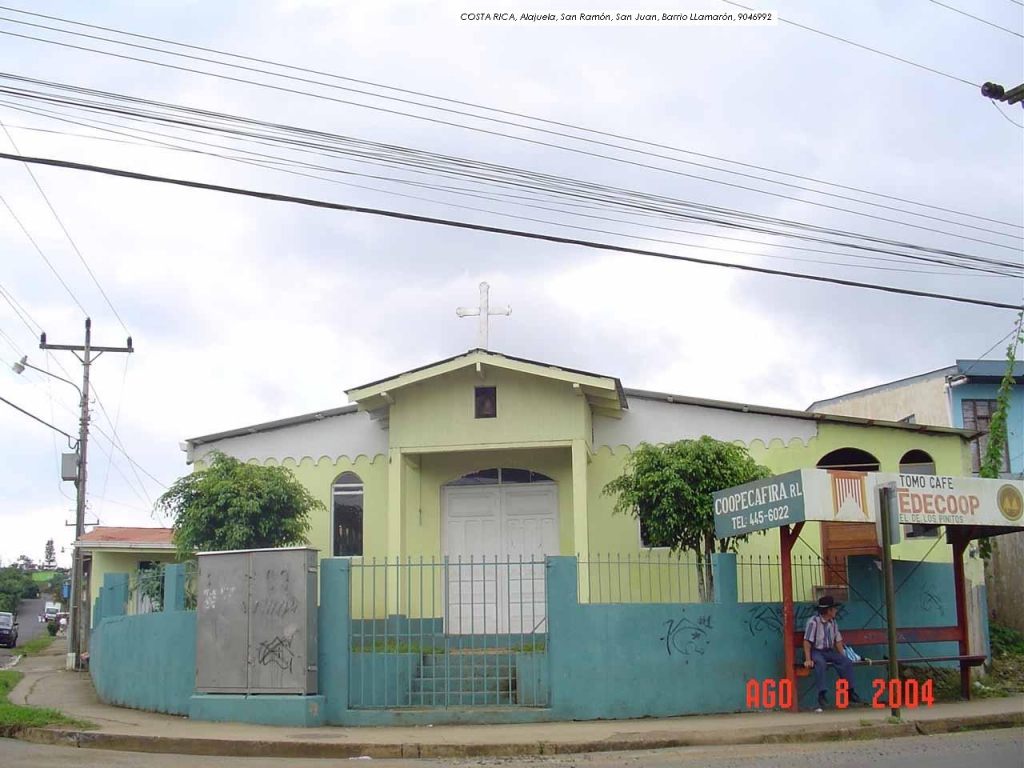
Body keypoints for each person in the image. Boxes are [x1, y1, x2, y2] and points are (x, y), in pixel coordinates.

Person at [803, 594, 863, 711]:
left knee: (846, 662)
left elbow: (838, 641)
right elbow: (807, 641)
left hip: (829, 651)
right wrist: (808, 659)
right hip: (817, 651)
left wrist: (843, 656)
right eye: (834, 608)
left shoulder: (833, 623)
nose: (836, 611)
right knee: (820, 663)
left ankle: (850, 692)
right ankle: (822, 695)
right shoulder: (813, 622)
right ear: (828, 610)